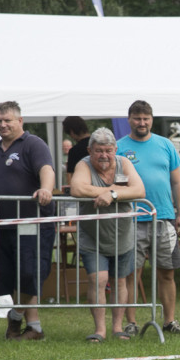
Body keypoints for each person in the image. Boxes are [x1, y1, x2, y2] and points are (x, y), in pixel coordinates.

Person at [0, 100, 53, 341]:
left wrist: (46, 189)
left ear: (20, 121)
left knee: (29, 274)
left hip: (30, 222)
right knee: (12, 277)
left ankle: (17, 316)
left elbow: (47, 170)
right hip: (1, 224)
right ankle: (35, 327)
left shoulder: (33, 144)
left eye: (7, 120)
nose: (2, 124)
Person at [118, 100, 180, 336]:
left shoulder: (165, 144)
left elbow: (177, 182)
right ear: (129, 120)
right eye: (137, 118)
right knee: (131, 273)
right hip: (132, 219)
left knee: (167, 272)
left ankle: (169, 321)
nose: (142, 122)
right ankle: (131, 322)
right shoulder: (118, 147)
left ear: (152, 120)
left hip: (164, 218)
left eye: (146, 118)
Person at [70, 128, 146, 341]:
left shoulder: (125, 163)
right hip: (92, 235)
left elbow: (140, 190)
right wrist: (110, 192)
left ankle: (118, 327)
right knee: (98, 280)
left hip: (122, 234)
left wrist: (112, 194)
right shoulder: (83, 165)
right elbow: (77, 188)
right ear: (90, 150)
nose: (104, 155)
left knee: (120, 281)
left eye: (108, 150)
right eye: (99, 151)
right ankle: (100, 330)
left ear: (115, 150)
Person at [62, 116, 90, 183]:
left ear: (72, 132)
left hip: (82, 187)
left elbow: (70, 177)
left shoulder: (74, 151)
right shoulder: (99, 146)